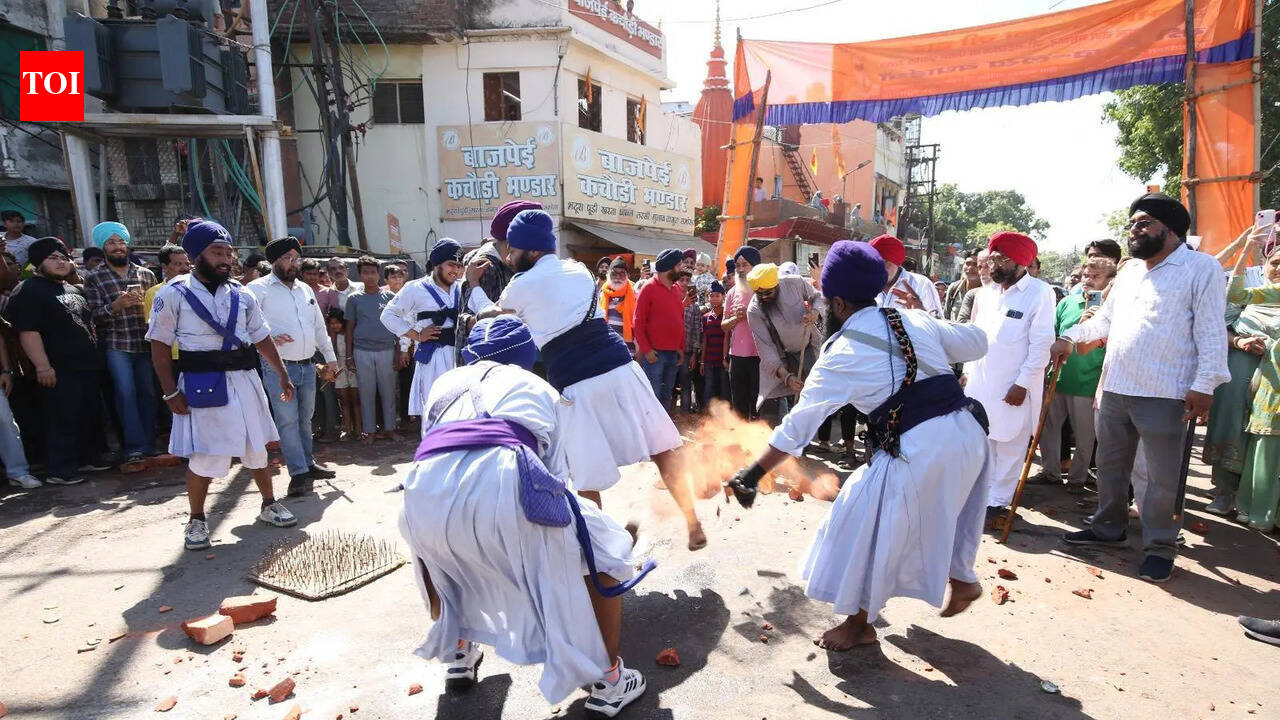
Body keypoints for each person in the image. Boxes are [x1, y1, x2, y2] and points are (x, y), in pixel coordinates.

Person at [725, 240, 991, 649]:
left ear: (837, 303)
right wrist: (924, 318)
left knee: (857, 527)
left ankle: (858, 626)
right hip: (968, 436)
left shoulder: (840, 353)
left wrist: (752, 474)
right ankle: (961, 578)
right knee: (945, 513)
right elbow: (977, 343)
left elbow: (797, 428)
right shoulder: (910, 319)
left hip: (923, 447)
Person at [401, 315, 649, 715]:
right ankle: (610, 679)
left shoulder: (443, 383)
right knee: (608, 550)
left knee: (444, 558)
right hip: (503, 479)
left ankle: (459, 652)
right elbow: (553, 475)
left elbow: (434, 442)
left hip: (422, 490)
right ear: (525, 355)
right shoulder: (538, 386)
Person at [492, 209, 707, 550]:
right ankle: (693, 524)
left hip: (577, 381)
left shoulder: (518, 287)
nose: (507, 256)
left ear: (531, 251)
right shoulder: (578, 270)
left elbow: (496, 322)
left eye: (512, 250)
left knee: (585, 470)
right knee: (662, 446)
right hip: (620, 367)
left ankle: (600, 549)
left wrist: (475, 287)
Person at [1052, 193, 1229, 583]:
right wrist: (1070, 335)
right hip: (1116, 388)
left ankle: (1160, 546)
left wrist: (1206, 384)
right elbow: (1104, 323)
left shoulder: (1201, 268)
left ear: (1171, 229)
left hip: (1167, 393)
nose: (1134, 229)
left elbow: (1212, 332)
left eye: (1144, 223)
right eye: (1132, 223)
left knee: (1161, 480)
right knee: (1111, 469)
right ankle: (1108, 529)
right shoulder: (1129, 272)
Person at [146, 221, 298, 551]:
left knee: (257, 447)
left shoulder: (242, 294)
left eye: (229, 252)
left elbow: (261, 336)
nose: (225, 259)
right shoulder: (173, 293)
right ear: (195, 254)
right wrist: (170, 391)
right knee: (205, 454)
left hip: (245, 380)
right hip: (203, 384)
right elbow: (158, 344)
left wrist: (282, 374)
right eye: (217, 252)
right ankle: (197, 520)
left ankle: (268, 504)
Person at [2, 237, 109, 485]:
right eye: (53, 258)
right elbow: (28, 331)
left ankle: (86, 459)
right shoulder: (29, 290)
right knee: (62, 417)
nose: (61, 262)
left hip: (86, 366)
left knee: (88, 415)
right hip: (57, 369)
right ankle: (60, 470)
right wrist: (42, 366)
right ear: (38, 263)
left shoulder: (71, 289)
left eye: (64, 257)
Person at [962, 232, 1056, 510]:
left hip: (1012, 388)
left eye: (1001, 259)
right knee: (983, 445)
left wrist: (1023, 384)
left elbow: (1041, 345)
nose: (993, 266)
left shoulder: (1040, 293)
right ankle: (982, 499)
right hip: (979, 384)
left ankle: (999, 503)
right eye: (992, 258)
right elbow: (975, 337)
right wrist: (966, 372)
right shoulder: (985, 294)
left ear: (1021, 262)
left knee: (1010, 447)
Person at [246, 236, 340, 496]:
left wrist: (331, 358)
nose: (293, 264)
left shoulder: (306, 289)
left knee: (305, 419)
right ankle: (298, 473)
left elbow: (319, 327)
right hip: (278, 368)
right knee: (287, 421)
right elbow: (243, 329)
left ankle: (307, 464)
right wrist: (267, 340)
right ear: (274, 261)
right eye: (287, 259)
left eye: (296, 258)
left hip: (308, 365)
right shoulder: (256, 290)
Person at [380, 238, 492, 435]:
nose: (455, 271)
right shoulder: (415, 288)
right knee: (436, 415)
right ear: (437, 264)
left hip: (461, 357)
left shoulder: (463, 287)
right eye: (451, 265)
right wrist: (417, 335)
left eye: (459, 266)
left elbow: (483, 310)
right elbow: (388, 315)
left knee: (463, 413)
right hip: (434, 360)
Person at [1035, 256, 1116, 487]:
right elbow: (1052, 335)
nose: (1088, 281)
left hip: (1088, 383)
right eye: (1085, 276)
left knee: (1084, 436)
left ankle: (1077, 479)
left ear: (1110, 281)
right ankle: (1050, 472)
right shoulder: (1066, 303)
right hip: (1057, 378)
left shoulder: (1111, 310)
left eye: (1095, 277)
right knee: (1048, 429)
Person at [83, 221, 159, 466]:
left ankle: (150, 443)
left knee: (148, 393)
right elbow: (92, 316)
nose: (117, 247)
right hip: (117, 344)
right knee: (125, 395)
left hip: (144, 342)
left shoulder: (145, 274)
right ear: (103, 247)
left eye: (121, 242)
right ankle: (134, 447)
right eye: (111, 243)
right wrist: (115, 307)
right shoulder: (94, 277)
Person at [1221, 228, 1280, 530]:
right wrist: (1245, 248)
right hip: (1259, 381)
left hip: (1272, 382)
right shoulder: (1265, 289)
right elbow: (1232, 298)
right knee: (1259, 443)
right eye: (1276, 260)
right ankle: (1242, 502)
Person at [745, 262, 824, 425]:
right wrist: (786, 376)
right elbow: (766, 348)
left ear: (777, 284)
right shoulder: (754, 310)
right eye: (759, 294)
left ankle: (801, 444)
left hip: (806, 348)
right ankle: (774, 444)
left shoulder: (794, 282)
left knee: (808, 399)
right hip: (778, 359)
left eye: (768, 292)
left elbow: (817, 297)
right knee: (772, 407)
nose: (764, 297)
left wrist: (815, 312)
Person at [345, 256, 400, 442]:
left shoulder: (390, 297)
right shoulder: (354, 299)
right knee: (367, 393)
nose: (370, 276)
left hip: (387, 350)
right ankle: (370, 431)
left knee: (389, 392)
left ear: (379, 274)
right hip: (362, 351)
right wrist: (348, 356)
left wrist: (399, 352)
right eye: (365, 272)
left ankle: (390, 429)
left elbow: (397, 327)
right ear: (360, 275)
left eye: (373, 272)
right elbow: (350, 328)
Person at [633, 248, 687, 411]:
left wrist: (680, 347)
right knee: (652, 395)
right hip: (655, 354)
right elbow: (638, 321)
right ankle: (650, 431)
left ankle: (663, 430)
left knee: (667, 393)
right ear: (670, 268)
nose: (681, 269)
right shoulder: (648, 288)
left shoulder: (676, 289)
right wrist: (647, 350)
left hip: (672, 353)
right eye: (678, 265)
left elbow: (679, 319)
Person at [723, 246, 762, 419]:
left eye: (745, 265)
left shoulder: (764, 290)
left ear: (755, 266)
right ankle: (741, 440)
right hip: (737, 356)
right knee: (738, 403)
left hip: (760, 355)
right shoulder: (731, 292)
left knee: (758, 404)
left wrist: (749, 313)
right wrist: (735, 319)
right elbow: (724, 326)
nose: (740, 270)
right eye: (737, 265)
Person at [869, 235, 943, 317]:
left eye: (883, 263)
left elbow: (938, 326)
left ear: (896, 262)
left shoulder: (922, 284)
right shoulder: (864, 285)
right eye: (872, 263)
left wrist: (921, 312)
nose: (877, 268)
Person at [385, 263, 416, 430]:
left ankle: (408, 417)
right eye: (394, 275)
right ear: (387, 279)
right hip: (385, 346)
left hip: (408, 344)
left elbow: (410, 322)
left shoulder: (412, 294)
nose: (398, 278)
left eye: (402, 273)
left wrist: (404, 348)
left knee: (408, 382)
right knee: (390, 385)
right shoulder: (385, 296)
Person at [327, 308, 360, 440]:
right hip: (339, 368)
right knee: (344, 401)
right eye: (332, 323)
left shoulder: (350, 334)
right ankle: (347, 430)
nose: (335, 326)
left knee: (356, 400)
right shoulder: (331, 337)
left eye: (337, 323)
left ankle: (359, 430)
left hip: (352, 367)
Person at [701, 281, 729, 409]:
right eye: (711, 296)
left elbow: (727, 338)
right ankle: (707, 419)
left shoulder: (727, 316)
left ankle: (726, 420)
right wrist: (702, 362)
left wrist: (725, 358)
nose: (714, 298)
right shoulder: (706, 317)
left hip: (723, 361)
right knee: (708, 389)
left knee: (724, 390)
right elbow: (705, 339)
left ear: (723, 296)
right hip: (709, 360)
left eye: (717, 295)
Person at [598, 258, 637, 348]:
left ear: (628, 276)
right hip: (607, 346)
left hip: (628, 350)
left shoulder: (636, 293)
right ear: (608, 275)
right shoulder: (602, 293)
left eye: (622, 274)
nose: (618, 277)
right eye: (614, 273)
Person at [679, 272, 703, 413]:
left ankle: (684, 416)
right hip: (670, 350)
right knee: (668, 385)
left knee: (686, 385)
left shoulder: (694, 306)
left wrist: (695, 354)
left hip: (687, 351)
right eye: (681, 279)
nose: (684, 282)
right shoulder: (672, 299)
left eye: (687, 280)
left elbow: (696, 330)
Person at [957, 249, 991, 323]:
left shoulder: (992, 292)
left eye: (975, 265)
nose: (970, 268)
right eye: (968, 263)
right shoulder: (954, 289)